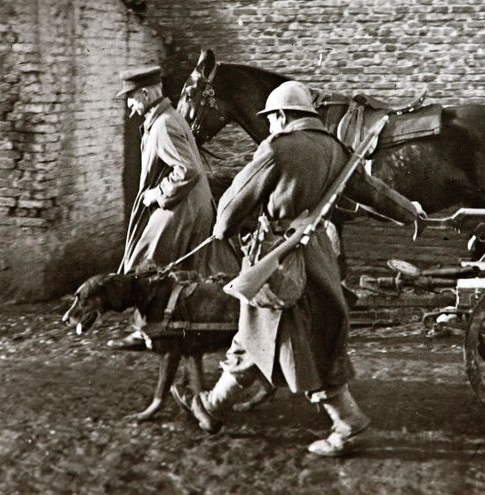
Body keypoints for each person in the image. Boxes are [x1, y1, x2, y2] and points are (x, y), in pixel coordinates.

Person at [171, 80, 426, 456]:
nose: (270, 126)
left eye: (271, 119)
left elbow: (228, 210)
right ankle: (213, 406)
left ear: (281, 116)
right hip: (317, 255)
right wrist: (410, 211)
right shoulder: (336, 149)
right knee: (257, 334)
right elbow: (372, 191)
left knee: (298, 342)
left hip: (279, 259)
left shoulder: (277, 148)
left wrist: (224, 233)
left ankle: (349, 424)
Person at [109, 65, 240, 350]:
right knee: (193, 270)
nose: (129, 104)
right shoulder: (163, 118)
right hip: (189, 205)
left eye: (130, 97)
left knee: (146, 262)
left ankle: (146, 329)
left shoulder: (165, 124)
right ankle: (181, 326)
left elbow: (187, 170)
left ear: (145, 93)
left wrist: (157, 194)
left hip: (182, 207)